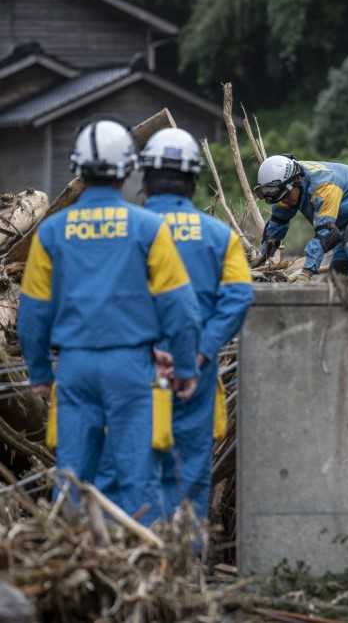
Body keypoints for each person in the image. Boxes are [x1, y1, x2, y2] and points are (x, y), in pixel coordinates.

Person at [17, 118, 201, 525]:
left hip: (75, 368)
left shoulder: (51, 232)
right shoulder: (149, 229)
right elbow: (180, 308)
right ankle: (137, 563)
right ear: (128, 169)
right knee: (136, 475)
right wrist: (186, 366)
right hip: (132, 369)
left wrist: (39, 370)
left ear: (78, 169)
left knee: (71, 473)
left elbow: (32, 313)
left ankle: (74, 560)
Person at [97, 128, 253, 522]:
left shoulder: (122, 229)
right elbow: (238, 297)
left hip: (133, 368)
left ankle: (139, 560)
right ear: (193, 179)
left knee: (131, 467)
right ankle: (184, 563)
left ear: (146, 176)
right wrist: (201, 350)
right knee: (189, 472)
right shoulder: (220, 236)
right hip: (193, 372)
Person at [253, 155, 348, 280]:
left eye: (286, 196)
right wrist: (262, 256)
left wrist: (306, 273)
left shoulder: (324, 186)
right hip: (346, 225)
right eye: (279, 199)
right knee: (338, 274)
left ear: (296, 181)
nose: (284, 202)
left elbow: (326, 233)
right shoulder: (286, 191)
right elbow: (277, 224)